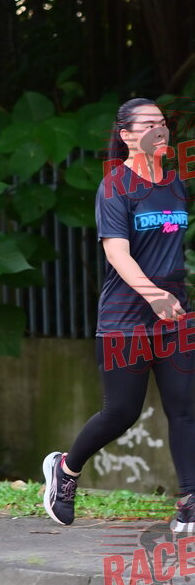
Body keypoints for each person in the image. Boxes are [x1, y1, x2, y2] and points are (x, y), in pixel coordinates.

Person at [43, 98, 195, 531]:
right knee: (121, 412)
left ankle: (190, 501)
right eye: (147, 124)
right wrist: (153, 295)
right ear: (126, 135)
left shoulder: (174, 183)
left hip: (174, 317)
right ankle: (65, 469)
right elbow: (117, 253)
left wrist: (170, 301)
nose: (159, 130)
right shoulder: (115, 186)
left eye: (162, 123)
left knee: (185, 408)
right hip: (125, 318)